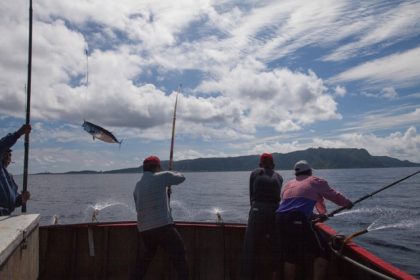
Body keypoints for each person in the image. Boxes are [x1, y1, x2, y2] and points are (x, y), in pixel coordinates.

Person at [275, 160, 353, 280]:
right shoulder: (315, 181)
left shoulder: (289, 184)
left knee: (290, 257)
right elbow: (333, 195)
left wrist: (314, 216)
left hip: (279, 219)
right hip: (297, 219)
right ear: (310, 171)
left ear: (296, 173)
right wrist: (347, 203)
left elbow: (293, 206)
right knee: (323, 254)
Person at [132, 155, 189, 280]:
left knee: (146, 259)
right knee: (179, 254)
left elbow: (138, 208)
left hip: (144, 230)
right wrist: (171, 172)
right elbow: (182, 178)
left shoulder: (137, 185)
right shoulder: (163, 176)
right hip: (162, 226)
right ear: (157, 167)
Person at [241, 153, 283, 280]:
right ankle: (275, 275)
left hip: (258, 209)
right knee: (275, 246)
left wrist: (253, 211)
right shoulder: (279, 177)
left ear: (260, 164)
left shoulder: (255, 173)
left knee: (250, 247)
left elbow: (251, 195)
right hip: (276, 210)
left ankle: (247, 276)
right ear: (273, 164)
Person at [0, 124, 31, 216]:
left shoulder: (9, 177)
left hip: (6, 218)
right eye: (5, 152)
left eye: (10, 154)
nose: (7, 155)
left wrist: (21, 199)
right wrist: (18, 133)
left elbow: (13, 202)